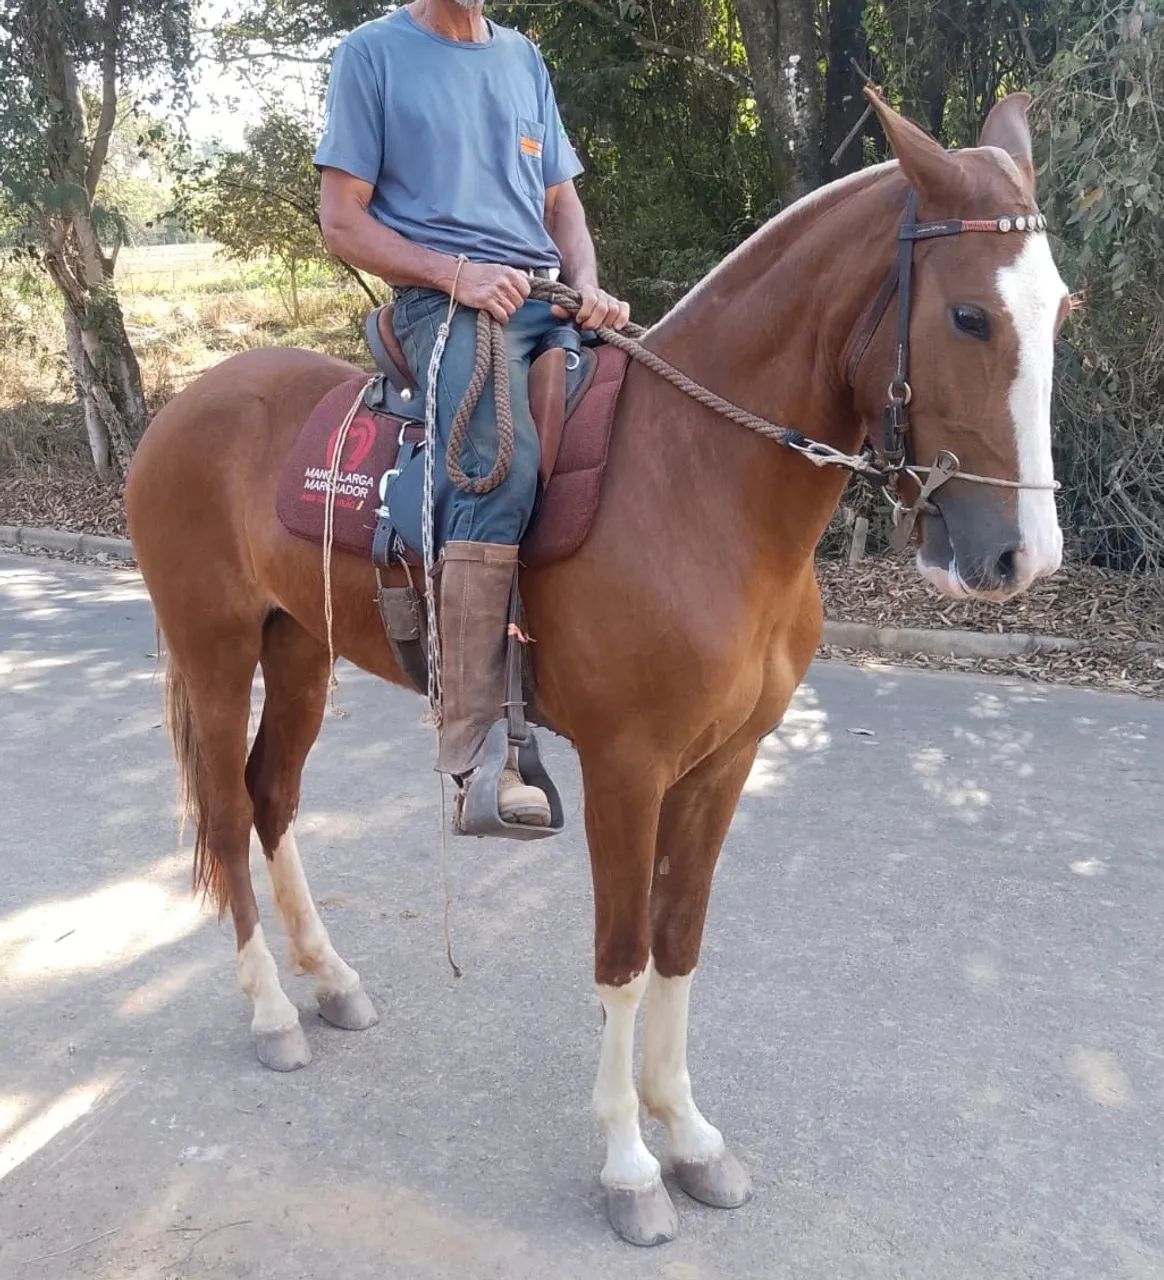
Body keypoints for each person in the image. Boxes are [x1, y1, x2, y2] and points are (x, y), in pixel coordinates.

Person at [315, 0, 631, 830]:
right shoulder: (372, 54)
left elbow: (562, 204)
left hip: (542, 295)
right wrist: (453, 274)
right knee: (497, 464)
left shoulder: (523, 58)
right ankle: (476, 754)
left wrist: (588, 283)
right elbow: (341, 220)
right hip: (440, 306)